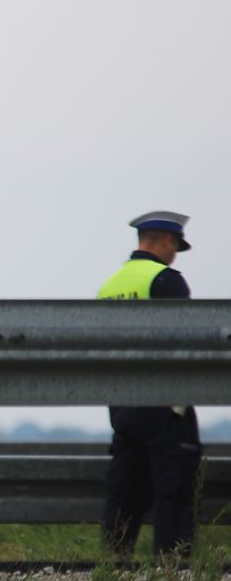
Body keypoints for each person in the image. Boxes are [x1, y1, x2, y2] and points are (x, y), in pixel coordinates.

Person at [97, 210, 202, 557]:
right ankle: (173, 577)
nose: (174, 254)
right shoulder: (166, 280)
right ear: (168, 241)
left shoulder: (110, 286)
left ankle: (114, 573)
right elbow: (185, 343)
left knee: (124, 493)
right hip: (163, 407)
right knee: (173, 493)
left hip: (122, 407)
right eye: (175, 247)